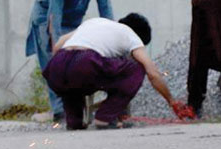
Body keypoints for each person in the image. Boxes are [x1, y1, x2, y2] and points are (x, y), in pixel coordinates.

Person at [43, 14, 190, 130]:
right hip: (85, 63)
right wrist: (171, 101)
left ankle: (75, 121)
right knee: (137, 68)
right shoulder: (131, 35)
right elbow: (152, 73)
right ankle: (105, 118)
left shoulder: (95, 22)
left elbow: (60, 43)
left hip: (56, 67)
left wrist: (65, 66)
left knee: (73, 81)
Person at [26, 0, 114, 122]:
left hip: (72, 22)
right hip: (46, 18)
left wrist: (113, 41)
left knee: (75, 61)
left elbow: (106, 13)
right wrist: (57, 46)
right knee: (53, 60)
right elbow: (54, 16)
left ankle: (75, 107)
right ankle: (59, 111)